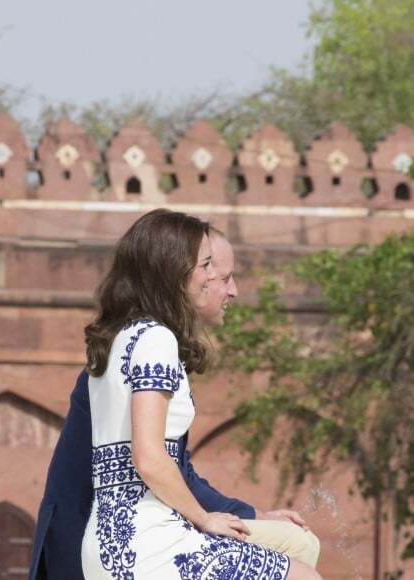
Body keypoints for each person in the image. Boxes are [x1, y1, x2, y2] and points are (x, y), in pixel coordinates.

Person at [28, 221, 320, 580]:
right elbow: (150, 459)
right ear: (174, 272)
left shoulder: (119, 339)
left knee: (297, 550)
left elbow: (159, 464)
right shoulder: (156, 338)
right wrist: (205, 518)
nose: (221, 283)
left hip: (108, 541)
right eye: (206, 266)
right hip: (144, 540)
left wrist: (248, 514)